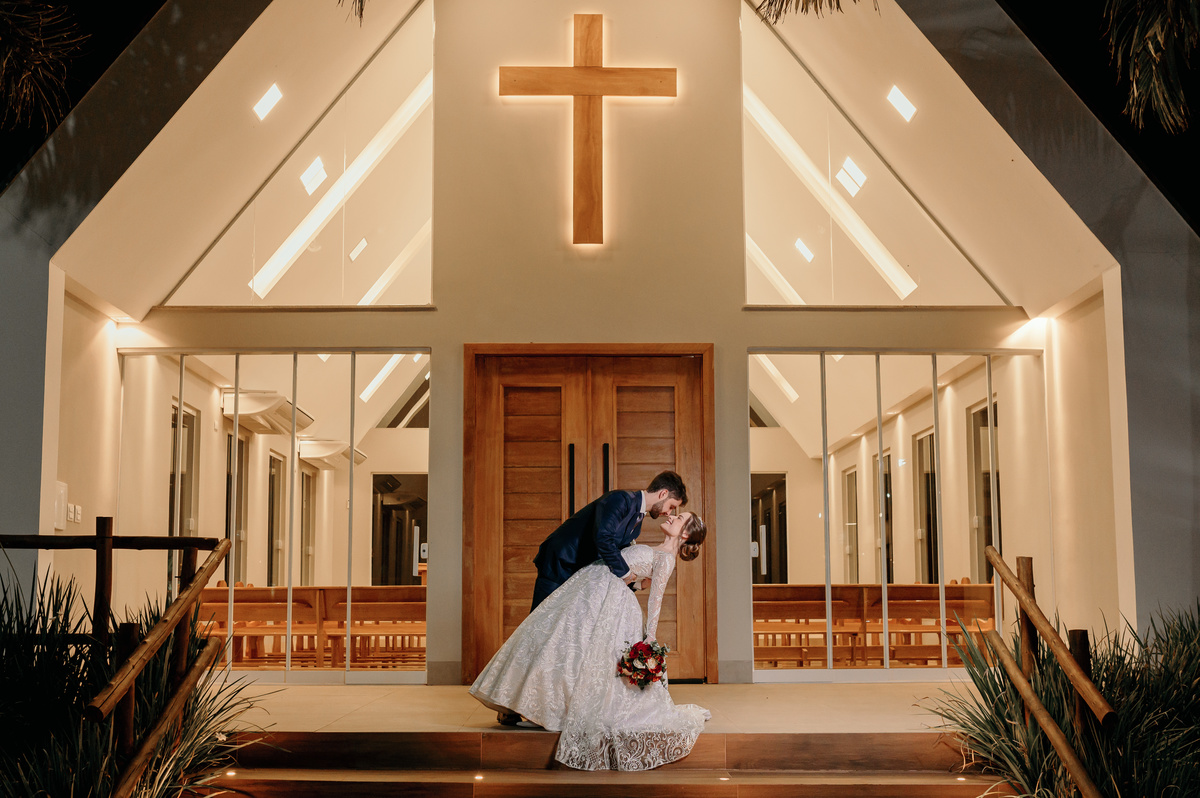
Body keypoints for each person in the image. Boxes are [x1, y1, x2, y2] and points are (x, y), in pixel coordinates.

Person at [470, 511, 710, 771]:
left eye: (679, 518)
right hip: (596, 591)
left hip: (612, 604)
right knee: (568, 647)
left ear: (685, 533)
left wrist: (650, 637)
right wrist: (634, 582)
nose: (671, 516)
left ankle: (553, 711)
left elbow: (656, 598)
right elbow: (639, 584)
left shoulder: (666, 558)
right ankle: (541, 706)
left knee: (585, 655)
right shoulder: (657, 551)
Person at [530, 470, 687, 611]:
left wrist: (637, 584)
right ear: (663, 493)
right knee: (540, 621)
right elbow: (603, 537)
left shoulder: (637, 523)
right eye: (671, 506)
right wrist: (626, 574)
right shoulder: (620, 499)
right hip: (560, 563)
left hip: (580, 574)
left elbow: (616, 558)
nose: (668, 513)